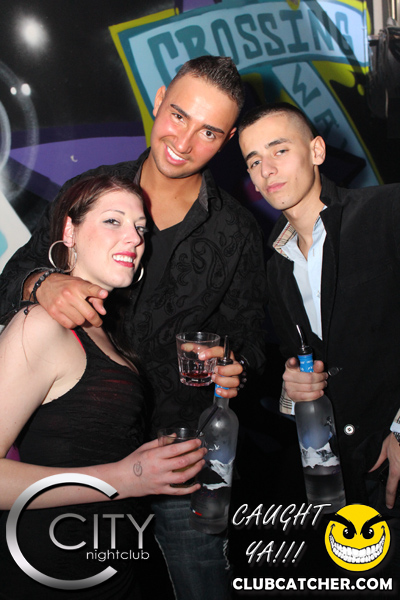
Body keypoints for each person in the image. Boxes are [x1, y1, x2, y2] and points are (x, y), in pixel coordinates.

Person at [0, 56, 267, 599]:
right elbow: (13, 278)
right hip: (83, 460)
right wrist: (42, 284)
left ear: (228, 139)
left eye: (209, 132)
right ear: (159, 99)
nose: (183, 142)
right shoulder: (92, 192)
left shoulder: (236, 230)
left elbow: (254, 337)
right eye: (178, 115)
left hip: (182, 462)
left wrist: (237, 364)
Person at [0, 173, 208, 599]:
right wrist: (124, 477)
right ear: (70, 232)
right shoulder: (41, 324)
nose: (134, 238)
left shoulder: (102, 328)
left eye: (141, 228)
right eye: (114, 220)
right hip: (52, 572)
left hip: (108, 563)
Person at [238, 102, 400, 517]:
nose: (266, 170)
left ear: (317, 151)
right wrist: (292, 392)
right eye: (253, 161)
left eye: (279, 150)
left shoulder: (386, 211)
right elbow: (300, 368)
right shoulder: (276, 267)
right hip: (339, 478)